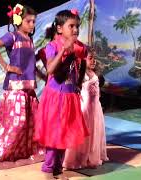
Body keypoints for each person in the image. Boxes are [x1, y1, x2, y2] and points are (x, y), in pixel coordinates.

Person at [0, 3, 44, 170]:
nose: (32, 25)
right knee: (16, 122)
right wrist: (6, 66)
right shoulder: (13, 36)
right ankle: (4, 154)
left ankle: (23, 153)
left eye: (33, 21)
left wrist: (42, 76)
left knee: (32, 122)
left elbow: (30, 64)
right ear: (19, 21)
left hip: (29, 87)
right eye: (29, 21)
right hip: (16, 87)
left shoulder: (30, 40)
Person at [34, 9, 89, 178]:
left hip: (70, 97)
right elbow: (50, 68)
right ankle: (48, 169)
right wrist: (64, 50)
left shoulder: (78, 47)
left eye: (77, 26)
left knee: (65, 133)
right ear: (59, 29)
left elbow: (84, 60)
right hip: (55, 97)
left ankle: (58, 167)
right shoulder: (51, 47)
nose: (75, 30)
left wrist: (78, 83)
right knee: (55, 133)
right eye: (71, 26)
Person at [63, 47, 109, 169]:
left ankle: (91, 156)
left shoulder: (95, 74)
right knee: (84, 134)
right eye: (90, 58)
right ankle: (79, 157)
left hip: (95, 109)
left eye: (94, 58)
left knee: (94, 132)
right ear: (83, 60)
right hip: (85, 109)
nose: (93, 61)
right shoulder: (81, 74)